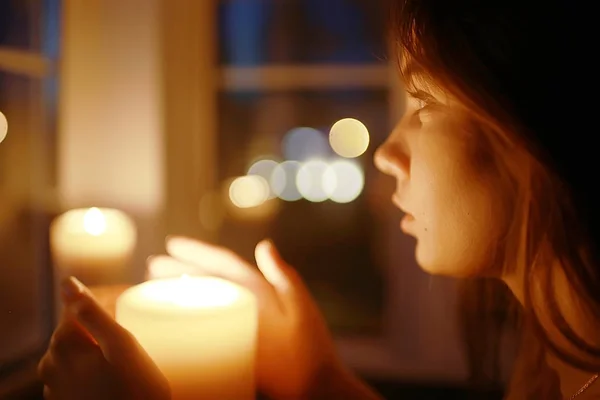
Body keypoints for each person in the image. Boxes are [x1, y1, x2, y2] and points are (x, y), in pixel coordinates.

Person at [38, 0, 600, 398]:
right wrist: (318, 380)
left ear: (536, 126)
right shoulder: (550, 358)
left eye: (425, 105)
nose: (385, 154)